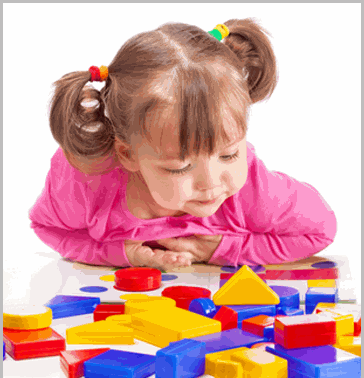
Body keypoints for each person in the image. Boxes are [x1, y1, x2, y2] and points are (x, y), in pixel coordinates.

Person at [29, 19, 337, 270]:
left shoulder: (253, 190)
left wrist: (221, 248)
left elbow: (320, 230)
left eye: (229, 154)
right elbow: (49, 228)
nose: (211, 184)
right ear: (126, 153)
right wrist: (122, 254)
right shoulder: (86, 179)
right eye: (180, 167)